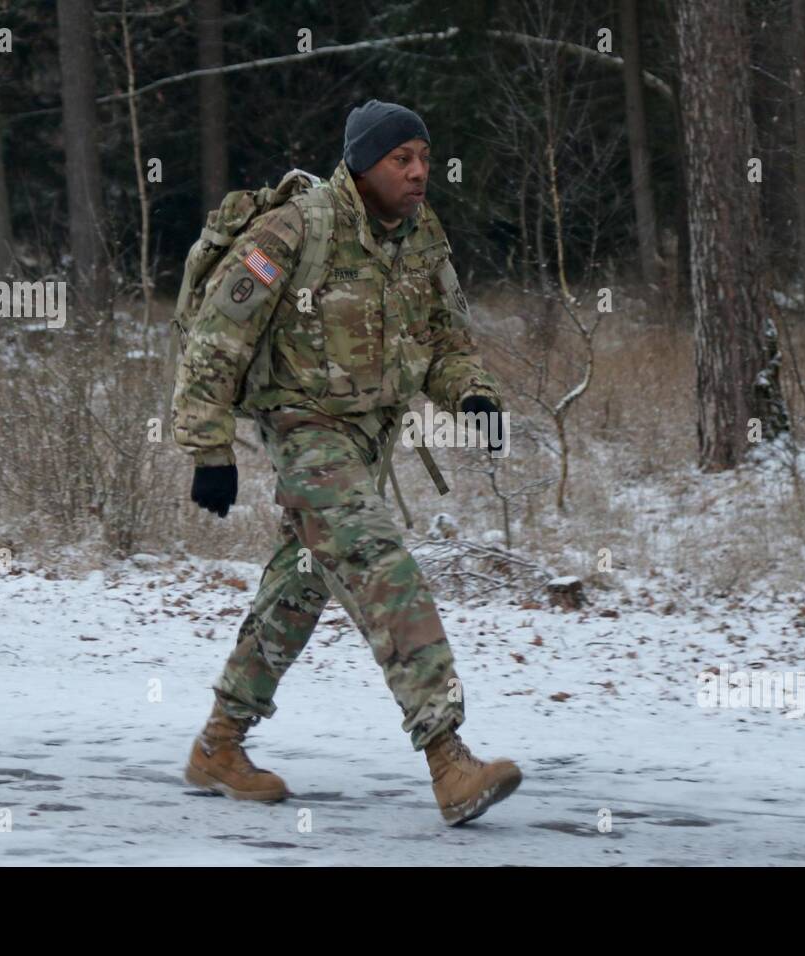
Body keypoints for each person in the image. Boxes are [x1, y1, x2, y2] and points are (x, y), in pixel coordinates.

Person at [172, 99, 521, 825]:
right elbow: (217, 336)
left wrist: (475, 399)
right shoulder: (295, 228)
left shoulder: (421, 236)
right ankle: (447, 757)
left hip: (367, 439)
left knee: (298, 586)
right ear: (364, 164)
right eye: (403, 159)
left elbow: (446, 342)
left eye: (425, 157)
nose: (421, 171)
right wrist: (210, 449)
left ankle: (219, 745)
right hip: (304, 433)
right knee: (377, 561)